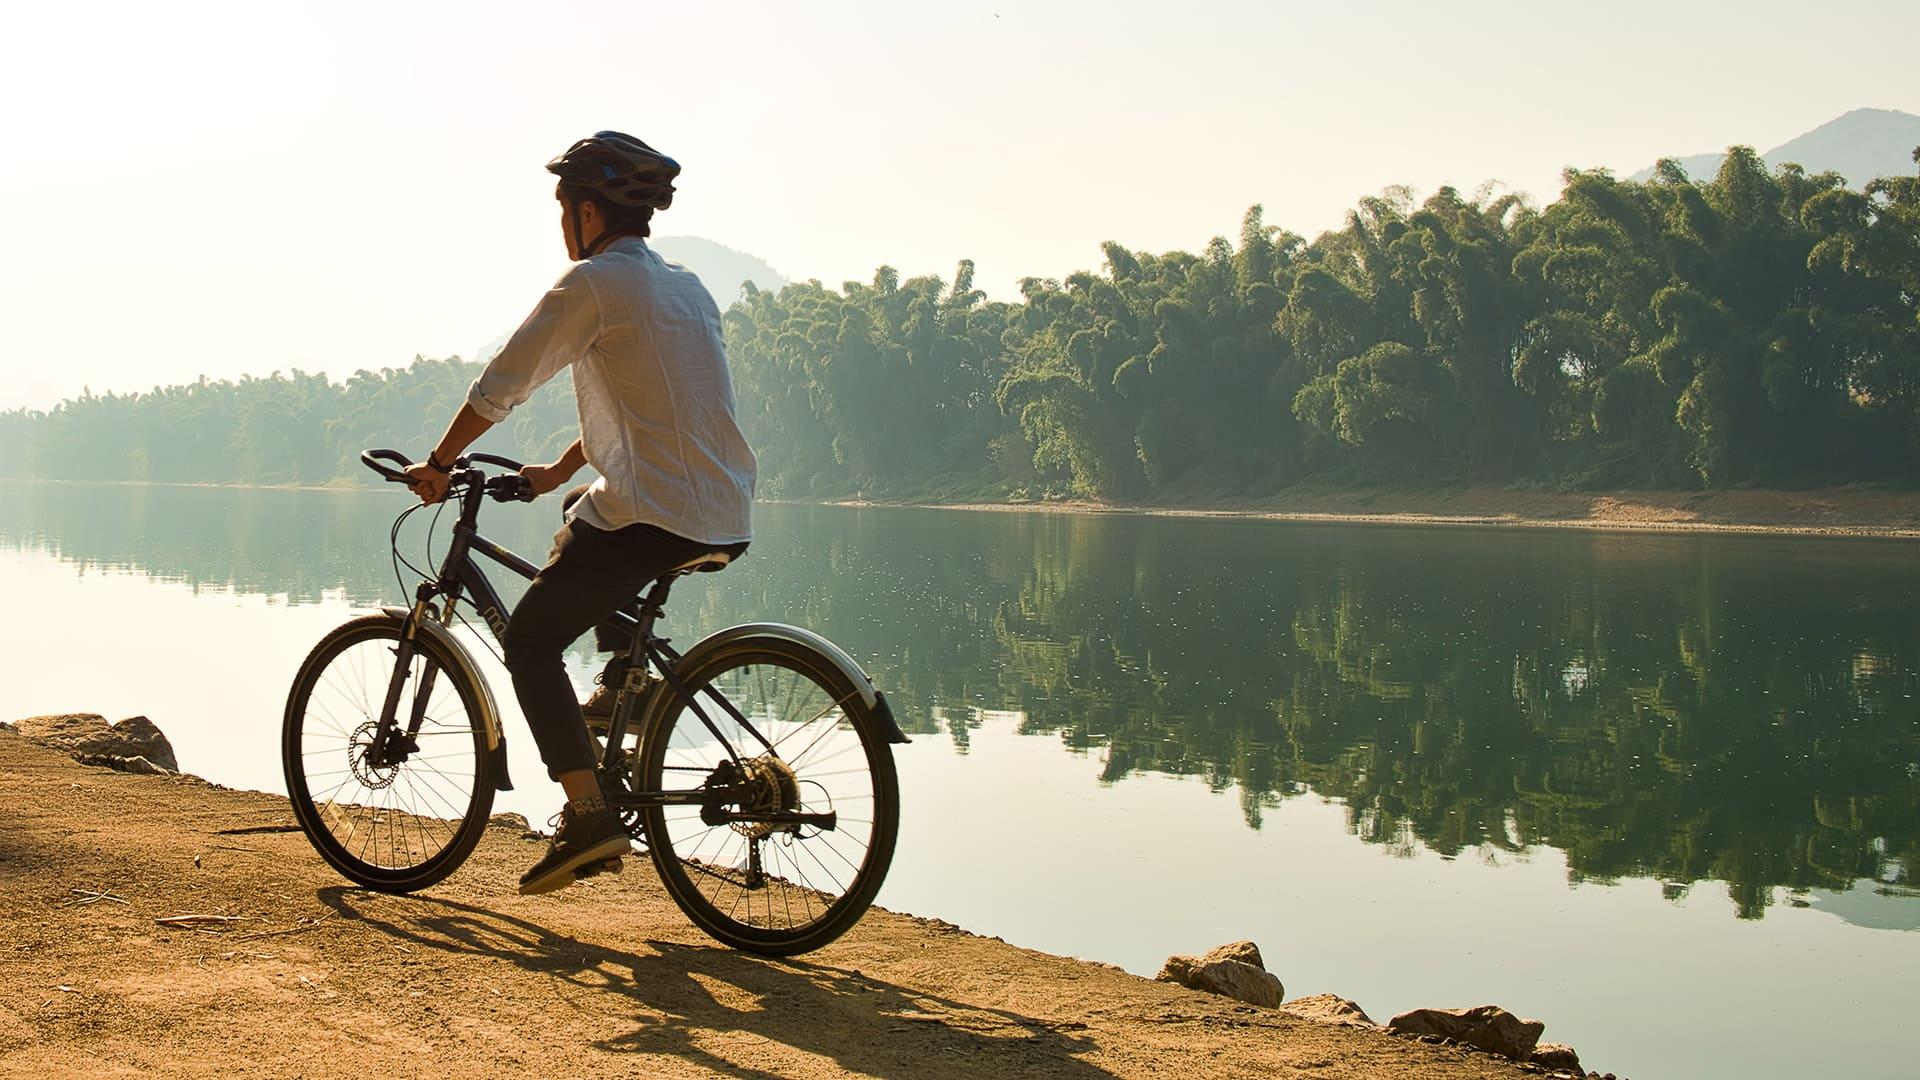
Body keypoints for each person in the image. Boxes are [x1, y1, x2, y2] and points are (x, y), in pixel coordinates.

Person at [403, 131, 757, 895]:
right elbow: (646, 410)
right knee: (578, 505)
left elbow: (505, 382)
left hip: (655, 510)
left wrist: (438, 465)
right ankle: (629, 681)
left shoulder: (593, 284)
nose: (562, 223)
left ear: (587, 212)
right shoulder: (686, 287)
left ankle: (589, 815)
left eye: (563, 207)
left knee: (529, 642)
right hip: (723, 505)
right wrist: (556, 470)